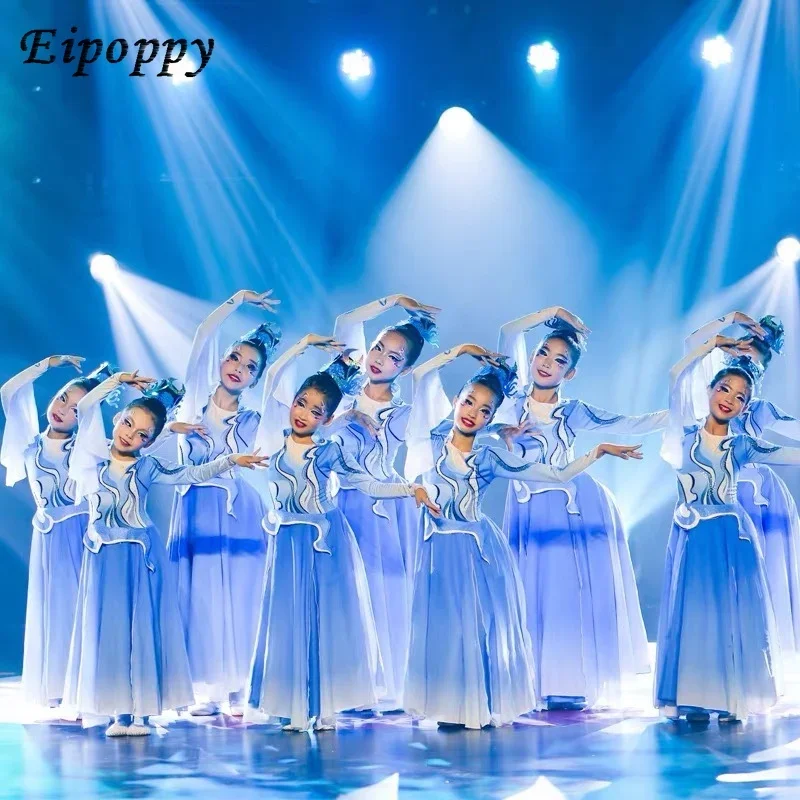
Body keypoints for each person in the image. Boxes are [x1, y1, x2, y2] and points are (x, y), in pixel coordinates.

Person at [403, 343, 643, 728]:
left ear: (492, 419)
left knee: (474, 624)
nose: (473, 413)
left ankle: (474, 705)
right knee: (442, 624)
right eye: (468, 402)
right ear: (455, 400)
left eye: (485, 411)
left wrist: (595, 452)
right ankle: (447, 703)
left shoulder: (489, 456)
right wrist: (460, 351)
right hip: (436, 546)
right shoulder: (429, 442)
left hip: (476, 547)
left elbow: (556, 475)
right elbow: (418, 377)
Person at [247, 336, 439, 732]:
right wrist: (302, 346)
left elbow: (368, 484)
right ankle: (292, 701)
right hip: (286, 541)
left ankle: (325, 704)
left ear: (328, 419)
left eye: (317, 411)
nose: (304, 413)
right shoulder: (274, 441)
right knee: (288, 619)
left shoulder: (329, 451)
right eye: (301, 403)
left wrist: (409, 488)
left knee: (325, 620)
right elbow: (272, 382)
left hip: (323, 540)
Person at [65, 370, 267, 736]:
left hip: (140, 553)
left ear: (150, 441)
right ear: (117, 418)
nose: (130, 434)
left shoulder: (148, 465)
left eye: (143, 434)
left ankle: (140, 713)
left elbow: (191, 474)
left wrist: (229, 461)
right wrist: (118, 382)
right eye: (128, 423)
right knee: (107, 630)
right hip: (102, 556)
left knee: (140, 629)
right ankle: (117, 713)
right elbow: (84, 405)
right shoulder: (91, 459)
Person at [494, 307, 667, 709]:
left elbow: (631, 422)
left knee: (563, 594)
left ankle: (567, 680)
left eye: (559, 361)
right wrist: (551, 314)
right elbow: (507, 330)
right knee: (528, 590)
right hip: (526, 505)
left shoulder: (571, 411)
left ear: (569, 374)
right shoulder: (509, 400)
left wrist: (686, 413)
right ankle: (530, 680)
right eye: (542, 353)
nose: (547, 364)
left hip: (569, 503)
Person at [655, 332, 800, 723]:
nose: (729, 399)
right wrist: (713, 344)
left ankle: (729, 695)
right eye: (724, 388)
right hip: (691, 535)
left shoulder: (742, 445)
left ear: (746, 407)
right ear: (710, 388)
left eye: (740, 397)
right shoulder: (681, 437)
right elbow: (675, 376)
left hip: (731, 536)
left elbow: (791, 451)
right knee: (695, 616)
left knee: (730, 617)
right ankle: (694, 696)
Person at [166, 288, 281, 716]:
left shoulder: (253, 419)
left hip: (240, 512)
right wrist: (237, 301)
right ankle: (205, 689)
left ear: (255, 378)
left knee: (240, 596)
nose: (239, 368)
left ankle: (238, 686)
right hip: (196, 507)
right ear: (221, 360)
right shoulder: (193, 402)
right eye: (234, 358)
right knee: (201, 599)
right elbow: (203, 333)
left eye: (250, 366)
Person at [330, 294, 440, 708]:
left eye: (394, 357)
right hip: (341, 502)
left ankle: (390, 685)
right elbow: (345, 318)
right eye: (377, 347)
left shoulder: (404, 412)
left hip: (387, 505)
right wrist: (391, 301)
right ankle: (352, 684)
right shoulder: (339, 392)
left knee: (387, 594)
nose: (380, 359)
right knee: (346, 595)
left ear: (405, 368)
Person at [0, 357, 112, 708]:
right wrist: (46, 365)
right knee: (52, 609)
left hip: (81, 534)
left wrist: (116, 383)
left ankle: (86, 683)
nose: (64, 408)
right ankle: (57, 685)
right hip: (46, 536)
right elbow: (9, 393)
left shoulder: (86, 450)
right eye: (63, 397)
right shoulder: (30, 445)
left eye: (78, 409)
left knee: (80, 607)